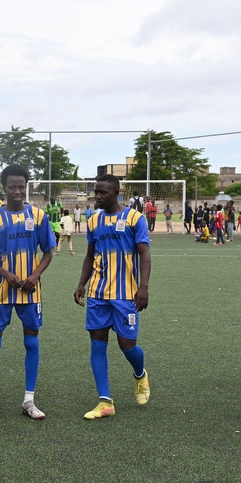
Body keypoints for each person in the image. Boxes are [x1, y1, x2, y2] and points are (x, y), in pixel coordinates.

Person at [0, 164, 55, 422]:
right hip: (0, 290)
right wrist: (4, 273)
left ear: (26, 186)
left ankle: (29, 400)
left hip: (31, 292)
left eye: (21, 186)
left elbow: (48, 252)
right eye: (12, 186)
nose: (17, 191)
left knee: (31, 342)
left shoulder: (39, 216)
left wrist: (34, 275)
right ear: (4, 188)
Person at [75, 174, 151, 419]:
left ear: (116, 193)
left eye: (103, 192)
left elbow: (144, 255)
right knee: (97, 345)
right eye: (96, 191)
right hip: (98, 293)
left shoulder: (134, 218)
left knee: (127, 346)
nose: (97, 196)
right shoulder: (93, 220)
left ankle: (140, 374)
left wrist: (144, 287)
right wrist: (81, 284)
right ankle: (105, 401)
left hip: (126, 294)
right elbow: (89, 255)